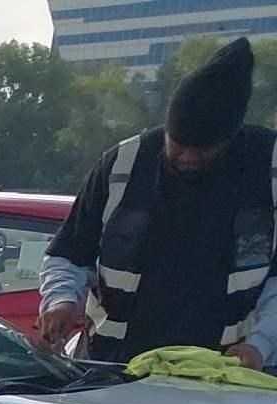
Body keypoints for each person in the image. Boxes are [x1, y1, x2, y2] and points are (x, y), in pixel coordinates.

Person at [39, 36, 277, 366]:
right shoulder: (122, 165)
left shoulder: (267, 170)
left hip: (230, 375)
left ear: (231, 137)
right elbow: (68, 253)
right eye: (178, 144)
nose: (188, 157)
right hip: (113, 368)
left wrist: (261, 345)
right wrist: (61, 301)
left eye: (203, 149)